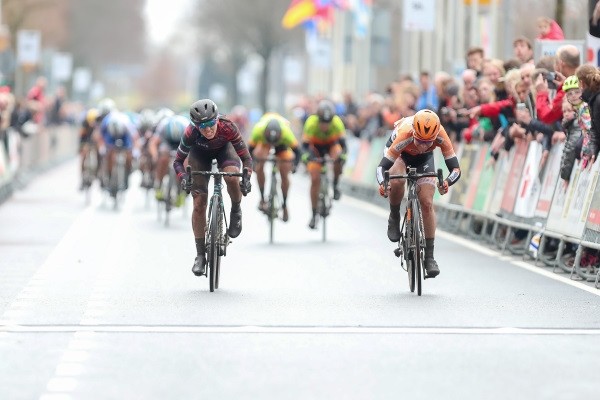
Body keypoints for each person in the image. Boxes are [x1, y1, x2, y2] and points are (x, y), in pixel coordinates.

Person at [376, 110, 461, 278]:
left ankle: (429, 257)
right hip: (400, 155)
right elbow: (382, 168)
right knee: (397, 180)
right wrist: (383, 184)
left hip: (424, 160)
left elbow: (456, 169)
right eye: (420, 141)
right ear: (414, 132)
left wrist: (446, 182)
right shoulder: (405, 133)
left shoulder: (440, 135)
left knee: (427, 203)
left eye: (428, 142)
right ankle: (394, 215)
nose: (423, 145)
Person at [173, 99, 253, 277]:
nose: (208, 129)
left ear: (217, 119)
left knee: (232, 176)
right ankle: (200, 255)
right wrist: (183, 178)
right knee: (198, 203)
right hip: (199, 154)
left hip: (225, 150)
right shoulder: (190, 133)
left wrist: (246, 177)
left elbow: (247, 159)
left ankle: (236, 210)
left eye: (211, 124)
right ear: (195, 126)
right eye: (202, 126)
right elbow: (178, 161)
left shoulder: (228, 127)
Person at [301, 99, 347, 229]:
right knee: (315, 179)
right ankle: (314, 213)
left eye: (328, 122)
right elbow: (304, 146)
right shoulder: (311, 123)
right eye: (322, 122)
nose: (325, 126)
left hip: (331, 146)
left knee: (339, 156)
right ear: (318, 119)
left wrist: (342, 157)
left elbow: (344, 145)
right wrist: (306, 157)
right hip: (316, 149)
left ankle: (336, 184)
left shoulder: (337, 122)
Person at [248, 113, 301, 222]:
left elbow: (297, 151)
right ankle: (262, 198)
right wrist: (252, 164)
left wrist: (295, 165)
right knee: (259, 162)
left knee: (285, 171)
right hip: (264, 143)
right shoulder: (258, 130)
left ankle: (285, 204)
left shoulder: (286, 133)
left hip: (282, 145)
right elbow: (250, 150)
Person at [150, 114, 189, 206]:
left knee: (186, 164)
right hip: (167, 142)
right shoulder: (163, 126)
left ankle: (181, 190)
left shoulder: (186, 127)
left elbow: (193, 148)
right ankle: (158, 183)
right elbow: (153, 143)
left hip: (182, 142)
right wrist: (155, 156)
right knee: (162, 159)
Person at [98, 111, 136, 193]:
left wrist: (135, 150)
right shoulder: (106, 123)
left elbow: (134, 137)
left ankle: (127, 174)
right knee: (110, 154)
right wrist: (102, 147)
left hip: (124, 137)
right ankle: (109, 175)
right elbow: (100, 136)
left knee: (129, 156)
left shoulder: (126, 124)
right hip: (110, 136)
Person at [79, 108, 101, 189]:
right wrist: (81, 147)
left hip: (95, 141)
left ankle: (98, 172)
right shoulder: (84, 124)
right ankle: (82, 177)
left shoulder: (99, 123)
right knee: (83, 156)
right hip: (86, 140)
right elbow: (81, 137)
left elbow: (100, 137)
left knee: (99, 153)